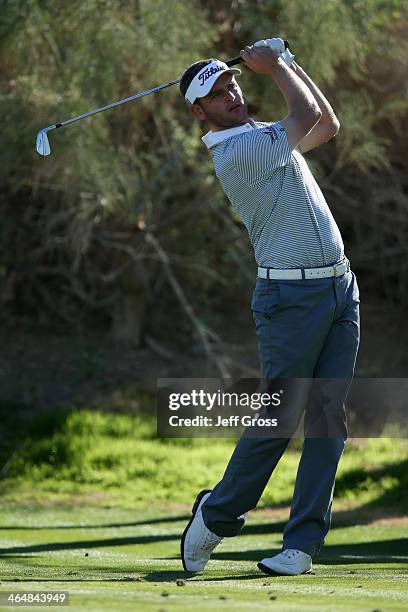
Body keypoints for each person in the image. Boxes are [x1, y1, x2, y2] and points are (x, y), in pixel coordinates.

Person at [179, 40, 360, 576]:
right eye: (216, 93)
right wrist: (277, 64)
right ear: (198, 112)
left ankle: (301, 546)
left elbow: (325, 123)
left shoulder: (262, 136)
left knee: (328, 419)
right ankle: (216, 515)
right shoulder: (238, 152)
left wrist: (293, 63)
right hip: (290, 299)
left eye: (231, 83)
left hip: (338, 287)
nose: (231, 93)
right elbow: (304, 113)